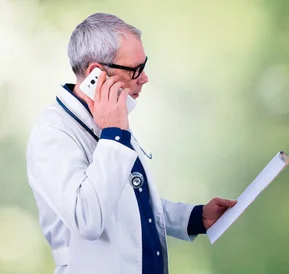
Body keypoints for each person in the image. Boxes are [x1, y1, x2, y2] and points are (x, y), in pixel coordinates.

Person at [25, 12, 237, 274]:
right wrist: (114, 133)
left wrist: (194, 218)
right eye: (136, 69)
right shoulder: (53, 132)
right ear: (96, 74)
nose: (145, 78)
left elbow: (130, 203)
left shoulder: (108, 119)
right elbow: (87, 218)